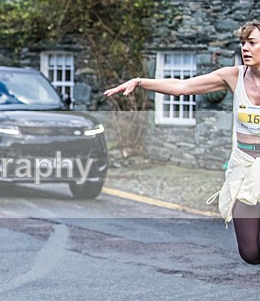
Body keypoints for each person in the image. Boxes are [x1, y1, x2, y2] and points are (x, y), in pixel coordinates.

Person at [104, 21, 260, 265]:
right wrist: (140, 82)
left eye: (252, 43)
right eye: (243, 43)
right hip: (244, 166)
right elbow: (181, 86)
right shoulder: (233, 76)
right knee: (250, 252)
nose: (245, 48)